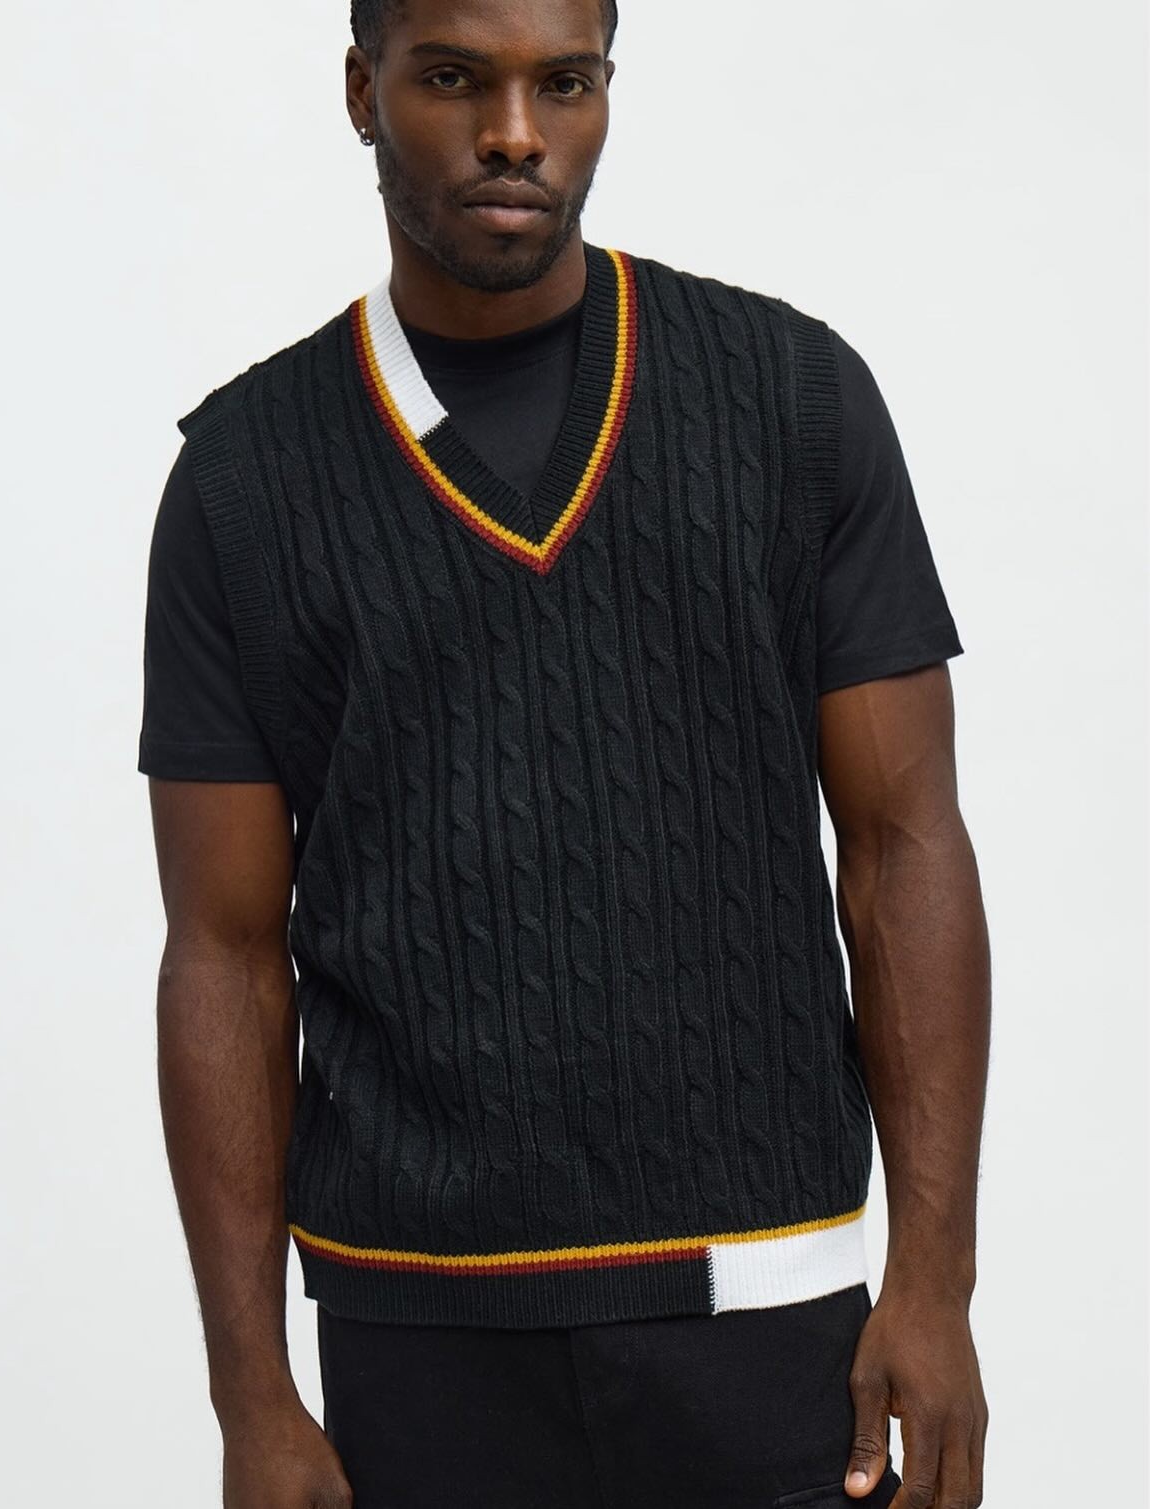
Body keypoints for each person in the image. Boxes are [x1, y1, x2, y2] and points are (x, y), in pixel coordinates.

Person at [137, 0, 992, 1504]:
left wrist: (935, 1282)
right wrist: (250, 1393)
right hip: (416, 1340)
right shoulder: (244, 483)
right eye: (453, 79)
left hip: (769, 1313)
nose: (516, 133)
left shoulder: (789, 399)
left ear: (606, 90)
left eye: (565, 82)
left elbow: (905, 845)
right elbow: (222, 952)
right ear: (363, 90)